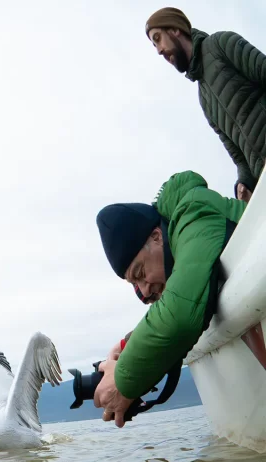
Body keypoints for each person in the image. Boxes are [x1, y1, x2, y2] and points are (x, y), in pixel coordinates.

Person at [93, 170, 245, 426]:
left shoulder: (195, 212)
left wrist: (122, 381)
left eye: (140, 274)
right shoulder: (186, 228)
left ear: (157, 237)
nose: (145, 291)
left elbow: (181, 313)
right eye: (135, 285)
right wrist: (127, 344)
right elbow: (181, 296)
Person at [145, 7, 266, 202]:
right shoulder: (205, 100)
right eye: (154, 45)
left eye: (158, 38)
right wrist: (244, 184)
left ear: (175, 29)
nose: (159, 51)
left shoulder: (221, 44)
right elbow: (239, 158)